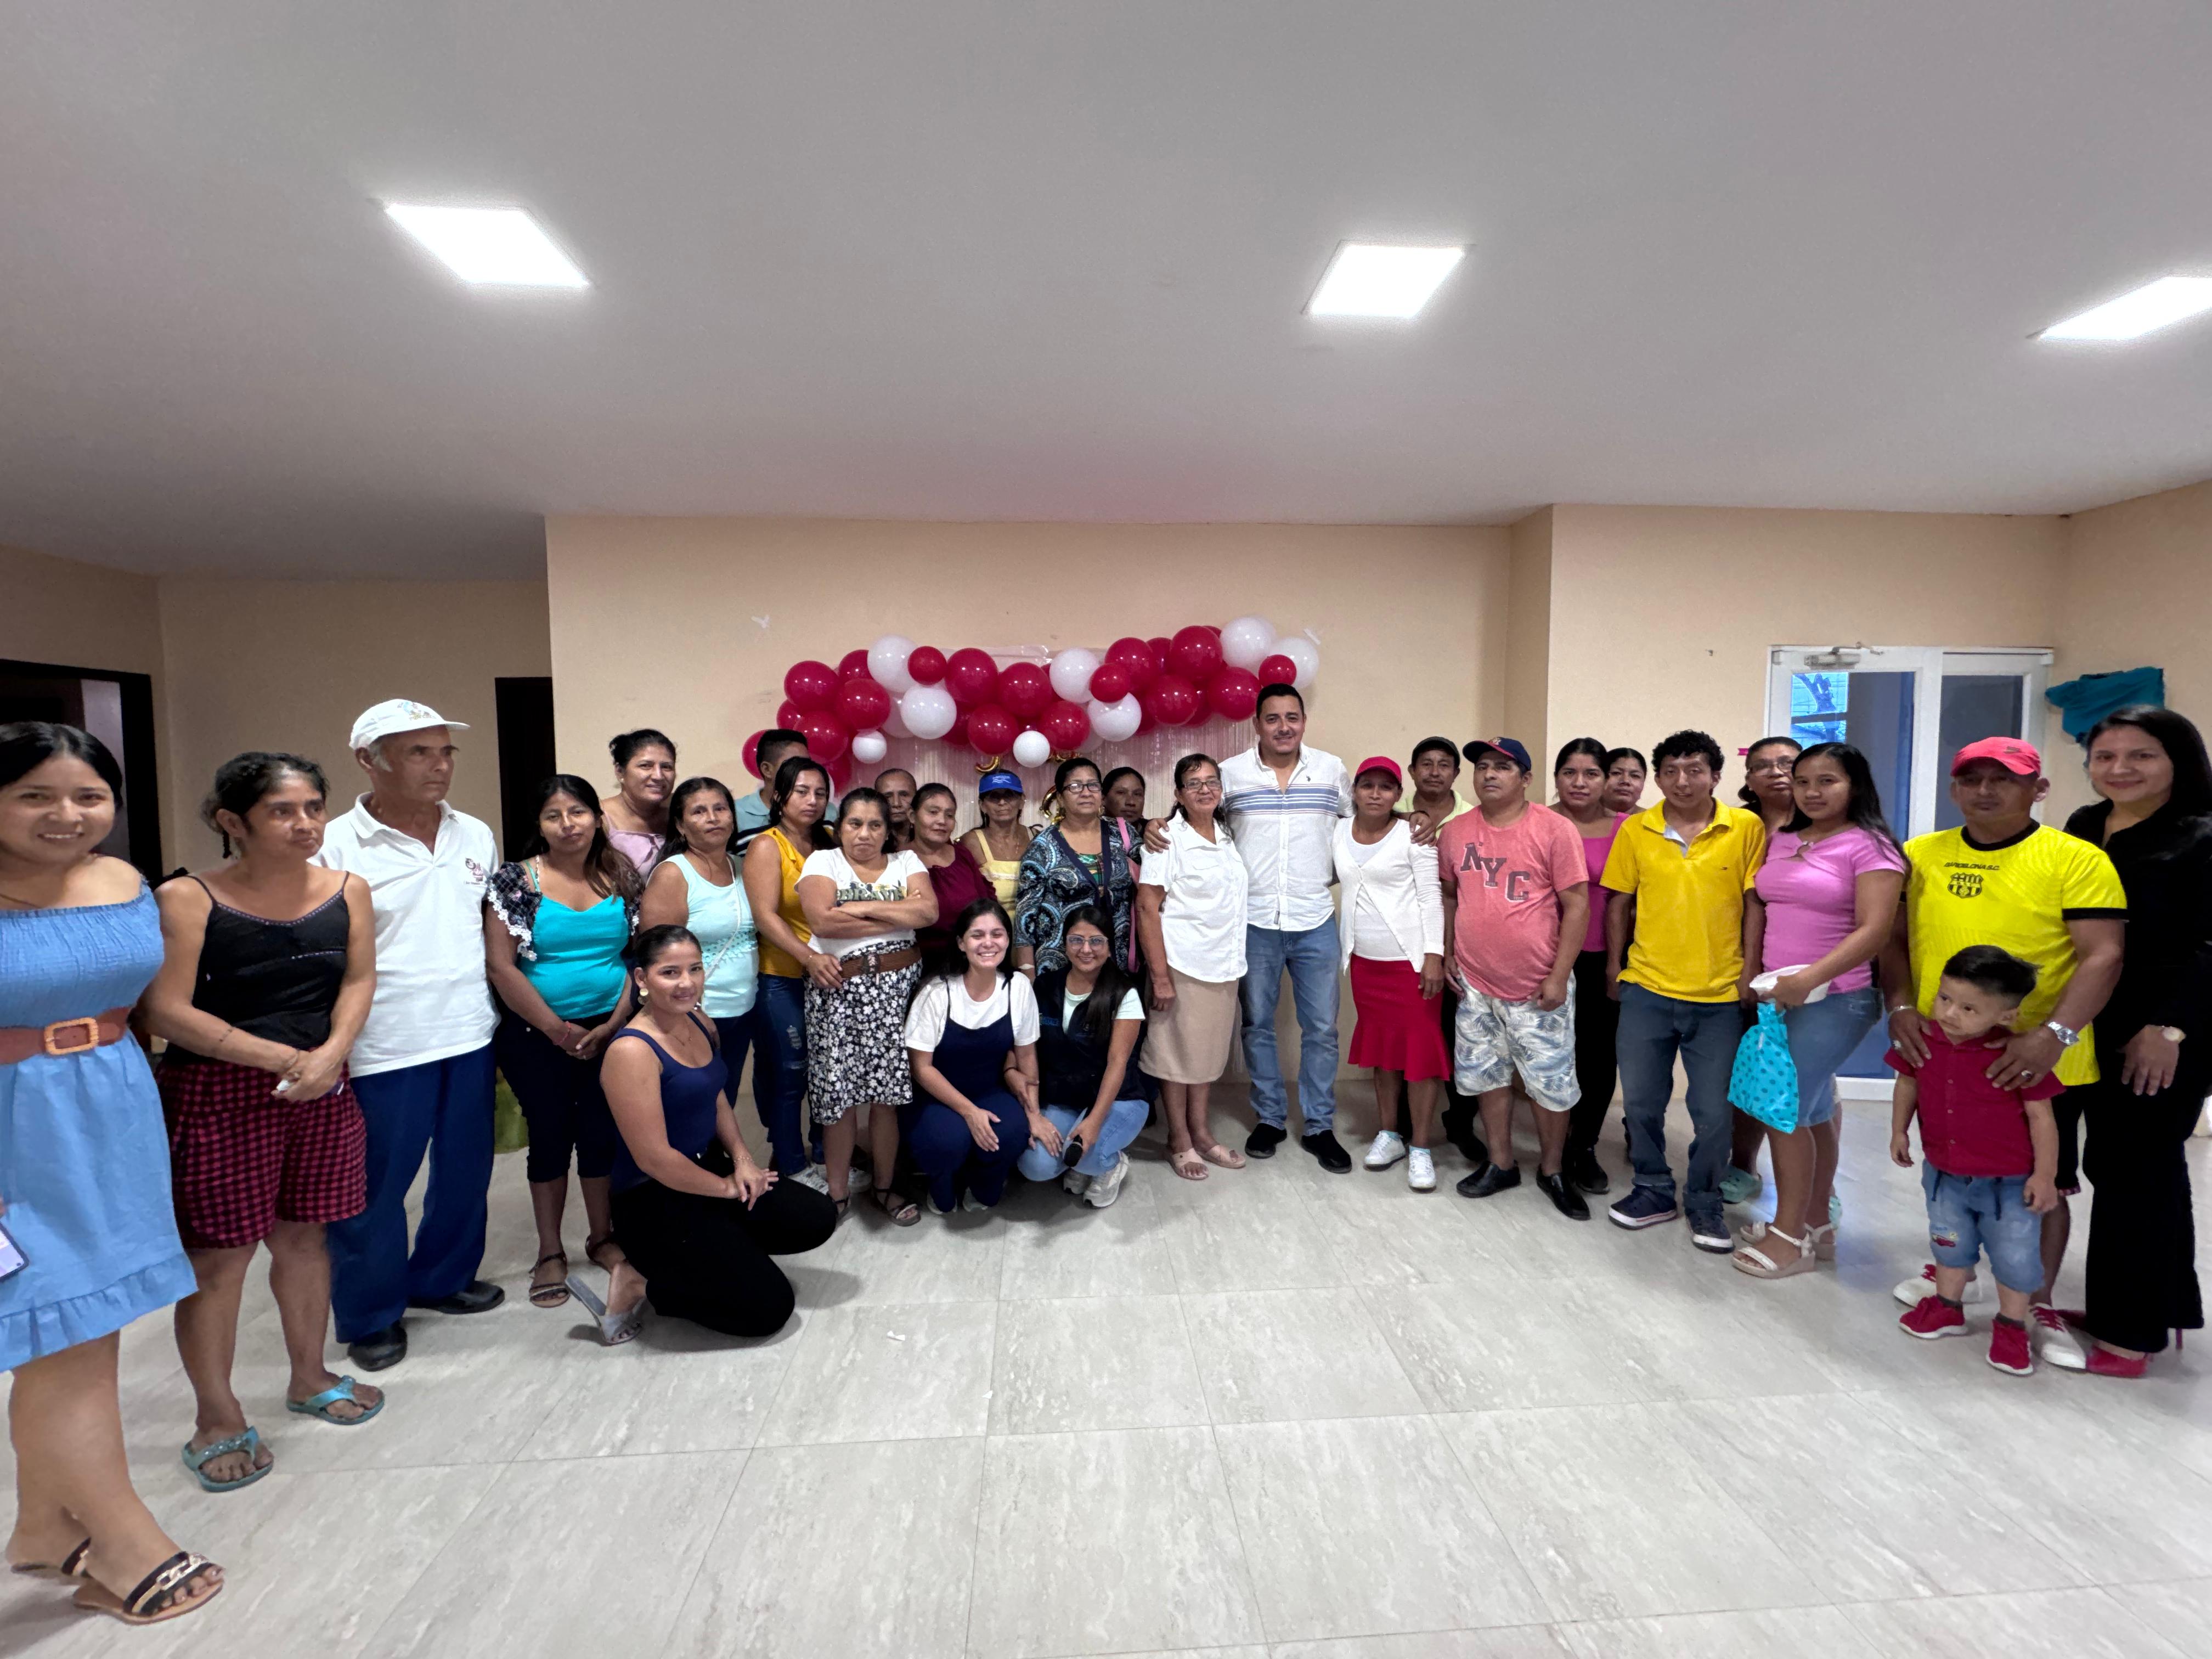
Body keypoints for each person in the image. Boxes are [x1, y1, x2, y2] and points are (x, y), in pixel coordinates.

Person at [0, 723, 222, 1626]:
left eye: (88, 795)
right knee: (65, 1336)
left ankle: (44, 1525)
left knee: (80, 1330)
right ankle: (127, 1545)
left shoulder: (125, 881)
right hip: (17, 1130)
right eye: (35, 796)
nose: (67, 814)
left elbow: (146, 1002)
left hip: (111, 1113)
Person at [143, 753, 381, 1493]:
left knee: (306, 1238)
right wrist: (280, 1058)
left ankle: (310, 1376)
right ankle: (216, 1418)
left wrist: (331, 1055)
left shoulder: (347, 889)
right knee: (220, 1259)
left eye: (313, 807)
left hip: (321, 1083)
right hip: (218, 1088)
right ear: (232, 821)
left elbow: (358, 979)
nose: (305, 824)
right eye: (283, 811)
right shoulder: (187, 898)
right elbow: (163, 1009)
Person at [1880, 737, 2125, 1365]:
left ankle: (2035, 1304)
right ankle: (1954, 1278)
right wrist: (1902, 1007)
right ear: (1954, 787)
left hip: (2036, 1060)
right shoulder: (1921, 855)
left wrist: (2054, 1035)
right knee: (1950, 1173)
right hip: (1945, 1054)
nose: (1985, 791)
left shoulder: (2076, 859)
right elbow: (1893, 939)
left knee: (2040, 1186)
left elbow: (2103, 955)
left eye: (2004, 779)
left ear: (2037, 789)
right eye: (1972, 779)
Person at [314, 700, 503, 1373]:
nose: (439, 765)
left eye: (445, 751)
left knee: (465, 1172)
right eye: (419, 752)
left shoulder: (473, 833)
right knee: (374, 1187)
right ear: (370, 761)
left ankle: (443, 1278)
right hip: (384, 1043)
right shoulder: (335, 845)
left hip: (469, 1030)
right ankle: (371, 1314)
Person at [2057, 706, 2210, 1374]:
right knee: (2132, 1165)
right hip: (2092, 1015)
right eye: (2105, 756)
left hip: (2168, 1027)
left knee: (2135, 1167)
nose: (2119, 768)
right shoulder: (2085, 824)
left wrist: (2170, 1027)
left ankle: (2131, 1332)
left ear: (2179, 760)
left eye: (2141, 755)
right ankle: (2156, 1306)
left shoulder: (2201, 834)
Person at [597, 926, 838, 1341]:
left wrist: (743, 1161)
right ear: (641, 978)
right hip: (653, 1199)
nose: (686, 983)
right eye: (670, 973)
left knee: (816, 1217)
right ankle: (641, 1281)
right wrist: (727, 1189)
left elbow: (717, 1097)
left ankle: (721, 1253)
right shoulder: (631, 1052)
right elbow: (655, 1160)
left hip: (706, 1167)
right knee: (770, 1310)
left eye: (695, 969)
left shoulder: (697, 1020)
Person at [1730, 743, 1904, 1277]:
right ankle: (1816, 1223)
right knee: (1814, 1108)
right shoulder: (1785, 838)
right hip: (1782, 997)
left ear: (1855, 785)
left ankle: (1788, 1239)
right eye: (1803, 781)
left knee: (1782, 1112)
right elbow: (1764, 906)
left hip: (1838, 997)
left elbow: (1875, 930)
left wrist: (1810, 978)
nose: (1811, 791)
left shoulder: (1871, 846)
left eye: (1827, 781)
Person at [1600, 729, 1767, 1250]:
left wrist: (1749, 971)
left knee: (1714, 1112)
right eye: (1670, 771)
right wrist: (1614, 967)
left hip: (1720, 996)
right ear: (1658, 778)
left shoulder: (1744, 827)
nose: (1682, 781)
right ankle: (1652, 1187)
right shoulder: (1637, 829)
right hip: (1647, 987)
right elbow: (1619, 902)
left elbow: (1755, 905)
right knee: (1642, 1104)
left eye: (1695, 770)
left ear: (1716, 776)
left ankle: (1704, 1199)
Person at [486, 776, 642, 1312]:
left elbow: (636, 957)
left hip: (611, 1029)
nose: (568, 824)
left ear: (598, 817)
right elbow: (501, 967)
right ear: (539, 825)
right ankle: (550, 1251)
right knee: (550, 1136)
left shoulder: (620, 873)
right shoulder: (516, 880)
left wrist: (615, 1024)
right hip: (537, 1034)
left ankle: (602, 1237)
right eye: (554, 815)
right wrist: (558, 1030)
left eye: (578, 812)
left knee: (601, 1134)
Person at [1888, 946, 2063, 1376]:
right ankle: (1948, 1307)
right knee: (1949, 1243)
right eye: (1945, 998)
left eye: (1969, 1009)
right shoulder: (1923, 1041)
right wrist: (1899, 1131)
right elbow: (1907, 1084)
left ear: (2006, 1015)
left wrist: (2045, 1175)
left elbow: (2042, 1118)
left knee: (2015, 1256)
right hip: (1943, 1174)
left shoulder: (2015, 1055)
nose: (1950, 1014)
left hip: (2008, 1184)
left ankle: (2012, 1326)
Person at [1439, 738, 1592, 1217]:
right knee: (1488, 1076)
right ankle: (1500, 1162)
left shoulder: (1554, 829)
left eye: (1503, 767)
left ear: (1526, 779)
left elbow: (1577, 904)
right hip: (1475, 982)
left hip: (1538, 983)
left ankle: (1553, 1170)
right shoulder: (1456, 832)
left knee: (1551, 1084)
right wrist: (1448, 952)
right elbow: (1450, 896)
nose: (1489, 774)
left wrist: (1559, 976)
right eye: (1483, 766)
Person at [1212, 683, 1355, 1168]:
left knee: (1322, 1028)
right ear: (1257, 724)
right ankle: (1270, 1118)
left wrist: (1409, 819)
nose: (1283, 727)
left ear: (1304, 722)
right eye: (1272, 718)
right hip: (1253, 920)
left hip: (1315, 917)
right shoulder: (1231, 774)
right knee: (1258, 1024)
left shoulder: (1331, 770)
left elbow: (1361, 825)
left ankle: (1319, 1126)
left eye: (1292, 717)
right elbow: (1202, 825)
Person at [798, 787, 936, 1221]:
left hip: (896, 992)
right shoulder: (823, 862)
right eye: (855, 823)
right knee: (839, 1098)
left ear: (887, 830)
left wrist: (856, 907)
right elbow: (822, 921)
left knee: (886, 1098)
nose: (865, 834)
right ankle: (838, 1194)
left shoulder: (906, 862)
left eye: (875, 825)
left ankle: (884, 1187)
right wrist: (896, 911)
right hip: (838, 991)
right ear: (840, 828)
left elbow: (928, 913)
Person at [1331, 758, 1449, 1190]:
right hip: (1365, 963)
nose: (1376, 794)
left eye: (1386, 787)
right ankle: (1390, 1134)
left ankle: (1421, 1147)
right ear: (1356, 791)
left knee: (1419, 1056)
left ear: (1398, 794)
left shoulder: (1413, 835)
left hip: (1411, 963)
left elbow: (1431, 897)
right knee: (1383, 1052)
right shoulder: (1338, 831)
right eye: (1368, 786)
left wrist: (1434, 955)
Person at [1136, 754, 1250, 1180]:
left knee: (1205, 1057)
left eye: (1211, 781)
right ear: (1179, 794)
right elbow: (1147, 907)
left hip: (1224, 964)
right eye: (1194, 783)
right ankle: (1179, 1138)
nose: (1205, 789)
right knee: (1176, 1057)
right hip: (1183, 965)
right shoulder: (1167, 839)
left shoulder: (1226, 835)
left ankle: (1201, 1132)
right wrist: (1160, 977)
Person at [904, 899, 1043, 1213]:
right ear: (961, 943)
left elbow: (1027, 1056)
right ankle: (941, 1186)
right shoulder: (937, 993)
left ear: (1008, 941)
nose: (988, 943)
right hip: (936, 1096)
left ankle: (981, 1183)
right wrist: (969, 1112)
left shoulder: (1018, 987)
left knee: (1011, 1134)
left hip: (990, 1090)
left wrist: (1033, 1114)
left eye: (997, 934)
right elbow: (921, 1068)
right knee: (948, 1142)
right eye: (977, 935)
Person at [741, 754, 837, 1182]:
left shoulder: (830, 842)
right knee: (790, 1074)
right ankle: (791, 1164)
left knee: (825, 1073)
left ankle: (826, 1154)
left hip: (828, 978)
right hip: (783, 977)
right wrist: (809, 958)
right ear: (779, 796)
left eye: (820, 793)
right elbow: (765, 917)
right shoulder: (767, 845)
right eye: (801, 791)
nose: (812, 800)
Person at [1015, 904, 1149, 1207]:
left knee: (1090, 1157)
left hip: (1119, 1098)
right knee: (1034, 1167)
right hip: (1064, 1097)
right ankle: (1074, 1157)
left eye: (1096, 941)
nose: (1086, 949)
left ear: (1109, 946)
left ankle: (1110, 1164)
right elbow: (1027, 1053)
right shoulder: (1045, 986)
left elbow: (1117, 1064)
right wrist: (1033, 1114)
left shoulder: (1124, 993)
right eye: (1076, 940)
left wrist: (1094, 1122)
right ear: (1064, 943)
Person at [1723, 735, 1805, 1200]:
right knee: (1751, 1069)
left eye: (1787, 763)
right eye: (1762, 766)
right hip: (1740, 965)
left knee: (1808, 1081)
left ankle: (1818, 1185)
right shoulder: (1738, 826)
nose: (1776, 772)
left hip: (1804, 970)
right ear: (1749, 779)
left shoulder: (1823, 827)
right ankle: (1743, 1165)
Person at [641, 776, 758, 1086]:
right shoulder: (673, 874)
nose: (712, 818)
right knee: (698, 1102)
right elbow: (657, 955)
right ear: (680, 825)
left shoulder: (743, 866)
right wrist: (692, 1011)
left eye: (720, 809)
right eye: (699, 812)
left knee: (726, 1098)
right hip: (695, 1012)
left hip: (745, 1008)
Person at [1551, 738, 1626, 1194]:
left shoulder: (1627, 829)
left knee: (1597, 1056)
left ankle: (1585, 1145)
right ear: (1556, 777)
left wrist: (1616, 963)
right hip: (1545, 955)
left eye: (1591, 773)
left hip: (1603, 956)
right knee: (1552, 1053)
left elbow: (1625, 899)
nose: (1579, 783)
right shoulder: (1538, 821)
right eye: (1570, 773)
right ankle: (1553, 1145)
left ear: (1606, 780)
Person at [1015, 755, 1139, 978]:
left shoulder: (1123, 834)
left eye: (1093, 785)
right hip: (1059, 966)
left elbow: (1154, 875)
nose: (1086, 792)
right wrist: (1028, 973)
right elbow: (1026, 916)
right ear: (1060, 798)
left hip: (1115, 964)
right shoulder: (1042, 847)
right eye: (1075, 786)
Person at [910, 782, 995, 963]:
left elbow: (986, 902)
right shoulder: (897, 861)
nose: (942, 821)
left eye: (949, 815)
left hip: (970, 959)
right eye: (933, 812)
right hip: (920, 963)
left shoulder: (962, 854)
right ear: (912, 816)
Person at [600, 729, 676, 883]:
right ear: (620, 772)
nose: (658, 776)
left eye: (667, 767)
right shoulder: (598, 818)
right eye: (646, 766)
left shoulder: (680, 813)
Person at [962, 770, 1035, 907]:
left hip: (1035, 920)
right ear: (982, 805)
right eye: (994, 797)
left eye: (1009, 795)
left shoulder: (1037, 837)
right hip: (991, 919)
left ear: (1022, 801)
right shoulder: (971, 842)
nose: (1002, 802)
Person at [734, 729, 809, 857]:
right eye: (793, 764)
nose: (804, 771)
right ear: (767, 769)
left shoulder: (824, 811)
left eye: (808, 763)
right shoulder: (736, 814)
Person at [1404, 735, 1474, 839]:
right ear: (1412, 771)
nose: (1435, 773)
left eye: (1444, 765)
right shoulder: (1392, 813)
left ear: (1455, 774)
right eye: (1427, 764)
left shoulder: (1472, 816)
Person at [874, 768, 918, 850]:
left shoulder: (931, 840)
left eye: (904, 795)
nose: (896, 804)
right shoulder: (870, 843)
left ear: (917, 797)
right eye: (888, 797)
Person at [1603, 747, 1649, 814]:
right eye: (1616, 773)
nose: (1626, 781)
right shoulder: (1586, 817)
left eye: (1635, 776)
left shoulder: (1653, 820)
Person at [1102, 766, 1148, 830]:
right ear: (1103, 799)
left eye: (1137, 794)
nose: (1131, 802)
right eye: (1121, 793)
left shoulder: (1155, 830)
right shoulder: (1092, 832)